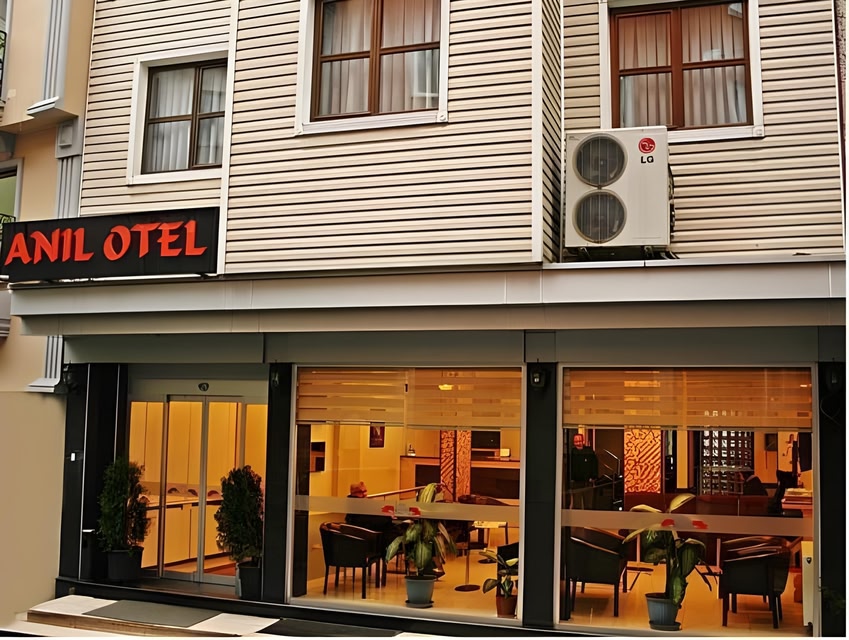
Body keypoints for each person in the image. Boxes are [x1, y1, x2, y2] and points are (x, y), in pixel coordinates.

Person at [569, 433, 598, 509]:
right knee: (577, 504)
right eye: (576, 441)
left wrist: (593, 477)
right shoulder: (571, 453)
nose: (578, 443)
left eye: (579, 441)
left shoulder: (589, 451)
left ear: (583, 441)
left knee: (588, 504)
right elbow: (569, 466)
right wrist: (571, 478)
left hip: (588, 481)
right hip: (576, 482)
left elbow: (594, 464)